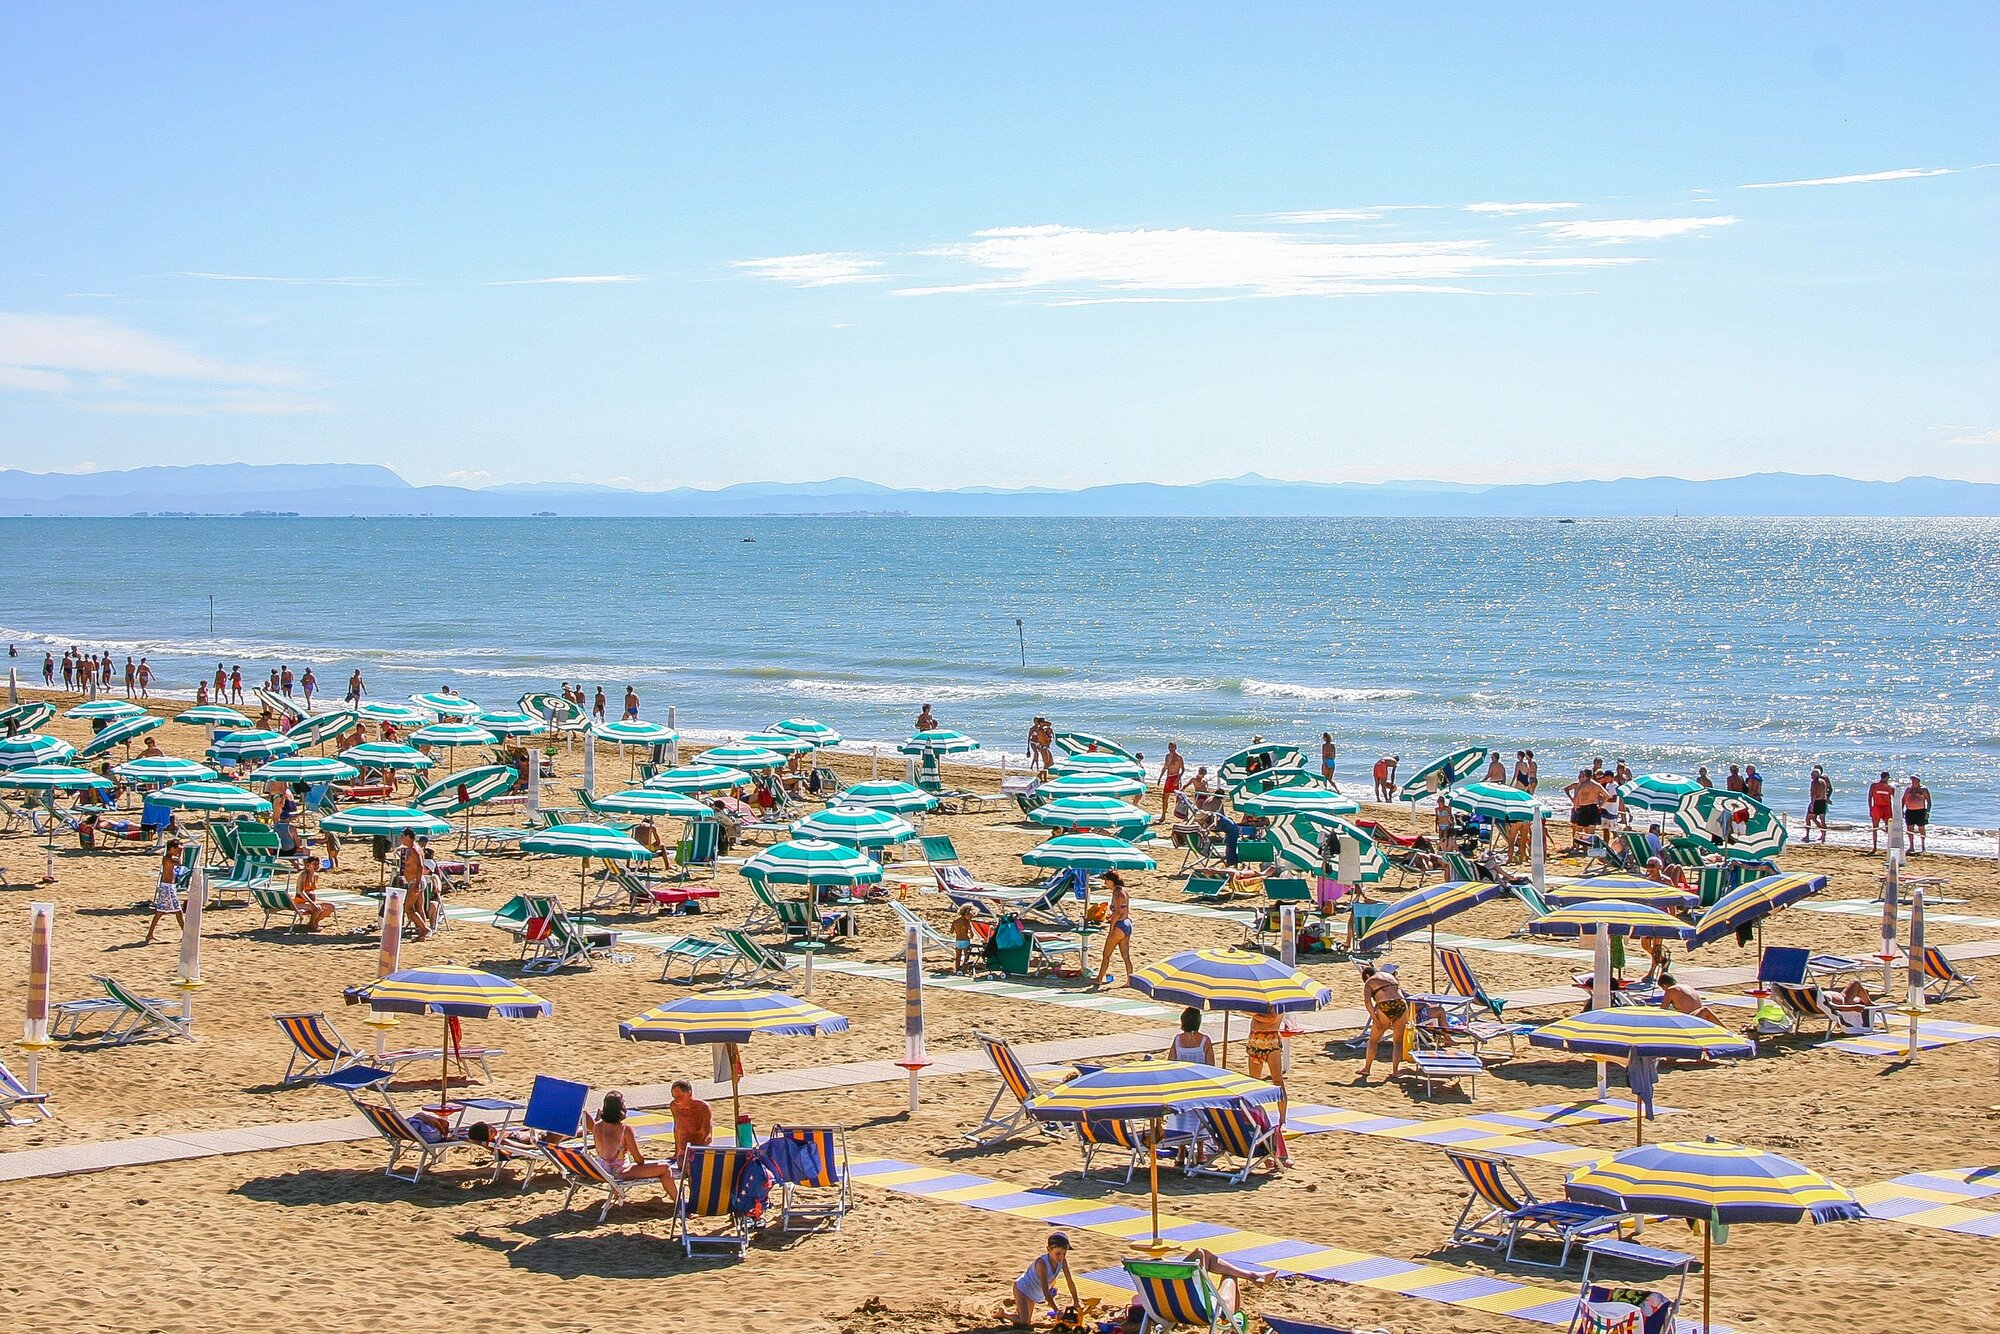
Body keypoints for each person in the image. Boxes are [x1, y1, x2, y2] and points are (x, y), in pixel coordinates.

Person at [586, 1091, 677, 1187]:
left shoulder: (597, 1126)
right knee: (665, 1168)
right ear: (621, 1108)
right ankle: (678, 1197)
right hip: (619, 1173)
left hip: (601, 1170)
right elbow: (639, 1160)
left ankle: (616, 1192)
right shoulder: (625, 1129)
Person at [1009, 1233, 1081, 1328]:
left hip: (1034, 1294)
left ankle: (1018, 1310)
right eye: (1058, 1253)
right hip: (1023, 1289)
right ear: (1048, 1249)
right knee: (1024, 1322)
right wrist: (1056, 1310)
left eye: (1064, 1253)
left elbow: (1070, 1281)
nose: (1061, 1257)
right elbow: (1046, 1291)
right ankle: (1004, 1314)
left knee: (1026, 1320)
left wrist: (1076, 1301)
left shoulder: (1062, 1261)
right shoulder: (1042, 1264)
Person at [1358, 962, 1411, 1080]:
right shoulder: (1390, 976)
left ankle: (1367, 1068)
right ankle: (1395, 1071)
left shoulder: (1369, 981)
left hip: (1385, 1005)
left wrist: (1376, 1019)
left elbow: (1368, 1002)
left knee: (1373, 1040)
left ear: (1367, 976)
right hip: (1401, 1004)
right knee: (1398, 1042)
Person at [1244, 1008, 1288, 1135]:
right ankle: (1254, 1117)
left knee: (1277, 1080)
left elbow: (1271, 1018)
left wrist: (1253, 1013)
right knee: (1254, 1081)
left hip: (1271, 1038)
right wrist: (1256, 1014)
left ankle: (1282, 1120)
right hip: (1255, 1037)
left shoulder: (1279, 1003)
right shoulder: (1260, 1002)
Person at [1092, 870, 1135, 988]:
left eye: (1106, 880)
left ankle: (1099, 979)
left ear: (1111, 881)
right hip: (1127, 923)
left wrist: (1111, 928)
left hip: (1119, 926)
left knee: (1106, 954)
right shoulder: (1123, 890)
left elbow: (1118, 912)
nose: (1105, 883)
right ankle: (1130, 980)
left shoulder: (1117, 893)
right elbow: (1124, 909)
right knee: (1126, 956)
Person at [147, 839, 186, 943]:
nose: (178, 851)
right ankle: (186, 934)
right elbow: (180, 863)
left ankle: (150, 934)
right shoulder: (167, 858)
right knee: (178, 911)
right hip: (167, 888)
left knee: (160, 912)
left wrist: (180, 850)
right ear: (172, 849)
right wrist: (182, 852)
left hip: (168, 887)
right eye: (177, 850)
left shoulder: (170, 857)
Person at [669, 1079, 713, 1165]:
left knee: (690, 1167)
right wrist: (677, 1152)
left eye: (679, 1097)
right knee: (681, 1165)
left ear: (689, 1093)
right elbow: (677, 1128)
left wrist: (698, 1152)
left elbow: (707, 1133)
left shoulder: (702, 1107)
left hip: (699, 1148)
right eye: (674, 1097)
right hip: (684, 1149)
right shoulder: (674, 1106)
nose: (676, 1101)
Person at [1564, 768, 1608, 853]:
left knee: (1579, 829)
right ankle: (1589, 849)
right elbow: (1607, 795)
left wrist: (1576, 806)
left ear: (1585, 775)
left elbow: (1576, 796)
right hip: (1594, 807)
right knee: (1591, 830)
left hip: (1584, 807)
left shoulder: (1583, 785)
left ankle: (1577, 848)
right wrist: (1601, 805)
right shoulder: (1597, 785)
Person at [1658, 972, 1722, 1026]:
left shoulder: (1670, 990)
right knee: (1705, 1010)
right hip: (1702, 1015)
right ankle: (1725, 1030)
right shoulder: (1687, 986)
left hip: (1691, 1018)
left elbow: (1663, 1009)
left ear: (1664, 985)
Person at [292, 858, 337, 931]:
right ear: (308, 865)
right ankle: (312, 924)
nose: (316, 866)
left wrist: (313, 902)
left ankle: (314, 922)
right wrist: (312, 903)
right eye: (314, 864)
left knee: (331, 906)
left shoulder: (316, 875)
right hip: (300, 902)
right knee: (318, 908)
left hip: (311, 901)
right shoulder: (303, 875)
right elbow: (301, 891)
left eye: (318, 864)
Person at [1902, 775, 1931, 854]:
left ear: (1918, 780)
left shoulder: (1923, 789)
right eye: (1912, 779)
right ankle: (1911, 847)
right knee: (1909, 829)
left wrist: (1927, 812)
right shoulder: (1908, 789)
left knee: (1921, 828)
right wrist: (1901, 810)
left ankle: (1923, 847)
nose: (1913, 781)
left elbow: (1929, 802)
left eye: (1914, 779)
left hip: (1920, 811)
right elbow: (1903, 800)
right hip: (1909, 811)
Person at [1805, 766, 1833, 842]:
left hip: (1816, 802)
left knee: (1808, 818)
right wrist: (1827, 798)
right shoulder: (1823, 781)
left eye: (1812, 774)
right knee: (1822, 820)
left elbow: (1813, 794)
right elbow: (1829, 789)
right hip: (1823, 802)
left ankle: (1807, 835)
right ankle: (1823, 836)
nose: (1811, 775)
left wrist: (1812, 804)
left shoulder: (1815, 782)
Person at [1159, 741, 1184, 818]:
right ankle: (1163, 815)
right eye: (1169, 747)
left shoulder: (1178, 757)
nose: (1171, 749)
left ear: (1175, 748)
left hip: (1175, 777)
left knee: (1178, 797)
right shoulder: (1167, 756)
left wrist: (1178, 779)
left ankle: (1180, 814)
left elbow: (1183, 769)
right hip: (1169, 778)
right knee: (1165, 797)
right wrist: (1160, 777)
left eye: (1172, 747)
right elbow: (1165, 767)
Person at [952, 904, 980, 973]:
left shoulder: (955, 922)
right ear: (966, 914)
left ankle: (957, 970)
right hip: (965, 941)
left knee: (958, 957)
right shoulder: (967, 922)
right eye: (971, 916)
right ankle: (964, 970)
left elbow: (951, 931)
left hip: (958, 941)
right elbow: (972, 934)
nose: (971, 918)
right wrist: (970, 935)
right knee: (966, 956)